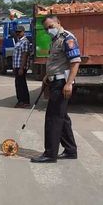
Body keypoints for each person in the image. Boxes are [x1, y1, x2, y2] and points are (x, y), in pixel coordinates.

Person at [31, 15, 81, 163]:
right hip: (55, 80)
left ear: (59, 23)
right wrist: (47, 75)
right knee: (62, 117)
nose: (49, 30)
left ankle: (50, 154)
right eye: (46, 28)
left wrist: (69, 83)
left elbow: (75, 62)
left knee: (53, 118)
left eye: (51, 26)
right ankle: (70, 150)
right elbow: (56, 62)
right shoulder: (55, 40)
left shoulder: (67, 39)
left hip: (62, 83)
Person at [12, 25, 31, 108]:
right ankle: (20, 100)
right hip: (16, 66)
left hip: (21, 67)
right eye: (17, 32)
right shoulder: (18, 41)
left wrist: (21, 68)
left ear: (23, 32)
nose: (18, 33)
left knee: (21, 85)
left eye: (19, 32)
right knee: (18, 84)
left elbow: (24, 55)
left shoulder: (25, 42)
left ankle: (24, 101)